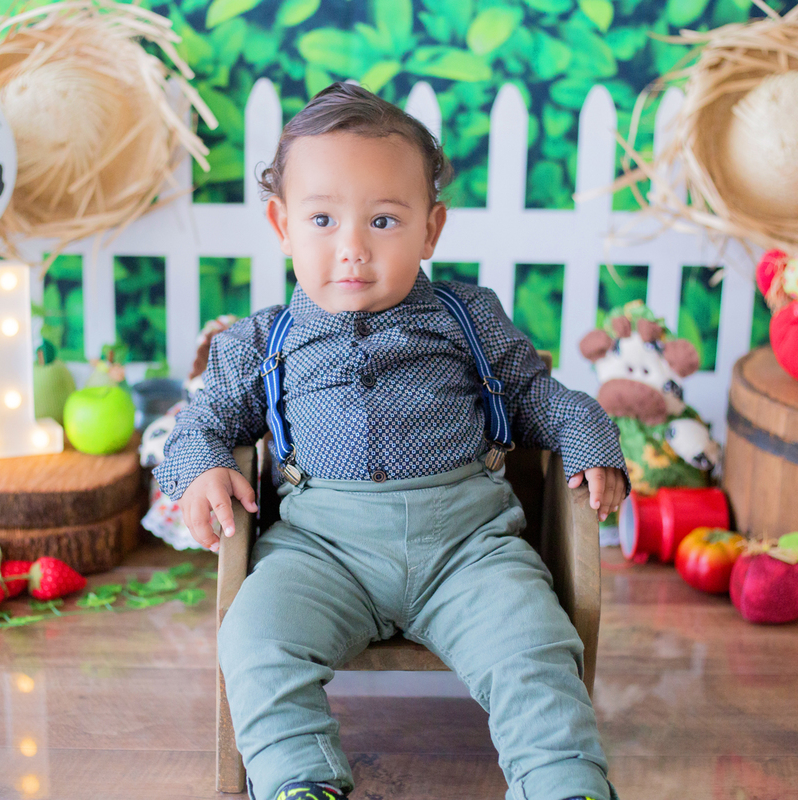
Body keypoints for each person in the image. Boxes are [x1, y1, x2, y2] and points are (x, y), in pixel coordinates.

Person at [154, 82, 626, 800]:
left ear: (430, 230)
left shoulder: (467, 318)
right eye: (322, 219)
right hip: (322, 552)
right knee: (254, 635)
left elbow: (539, 397)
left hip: (468, 549)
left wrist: (589, 438)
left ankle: (563, 780)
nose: (352, 249)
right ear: (282, 224)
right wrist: (202, 469)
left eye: (382, 220)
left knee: (533, 644)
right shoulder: (262, 341)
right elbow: (202, 423)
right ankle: (298, 778)